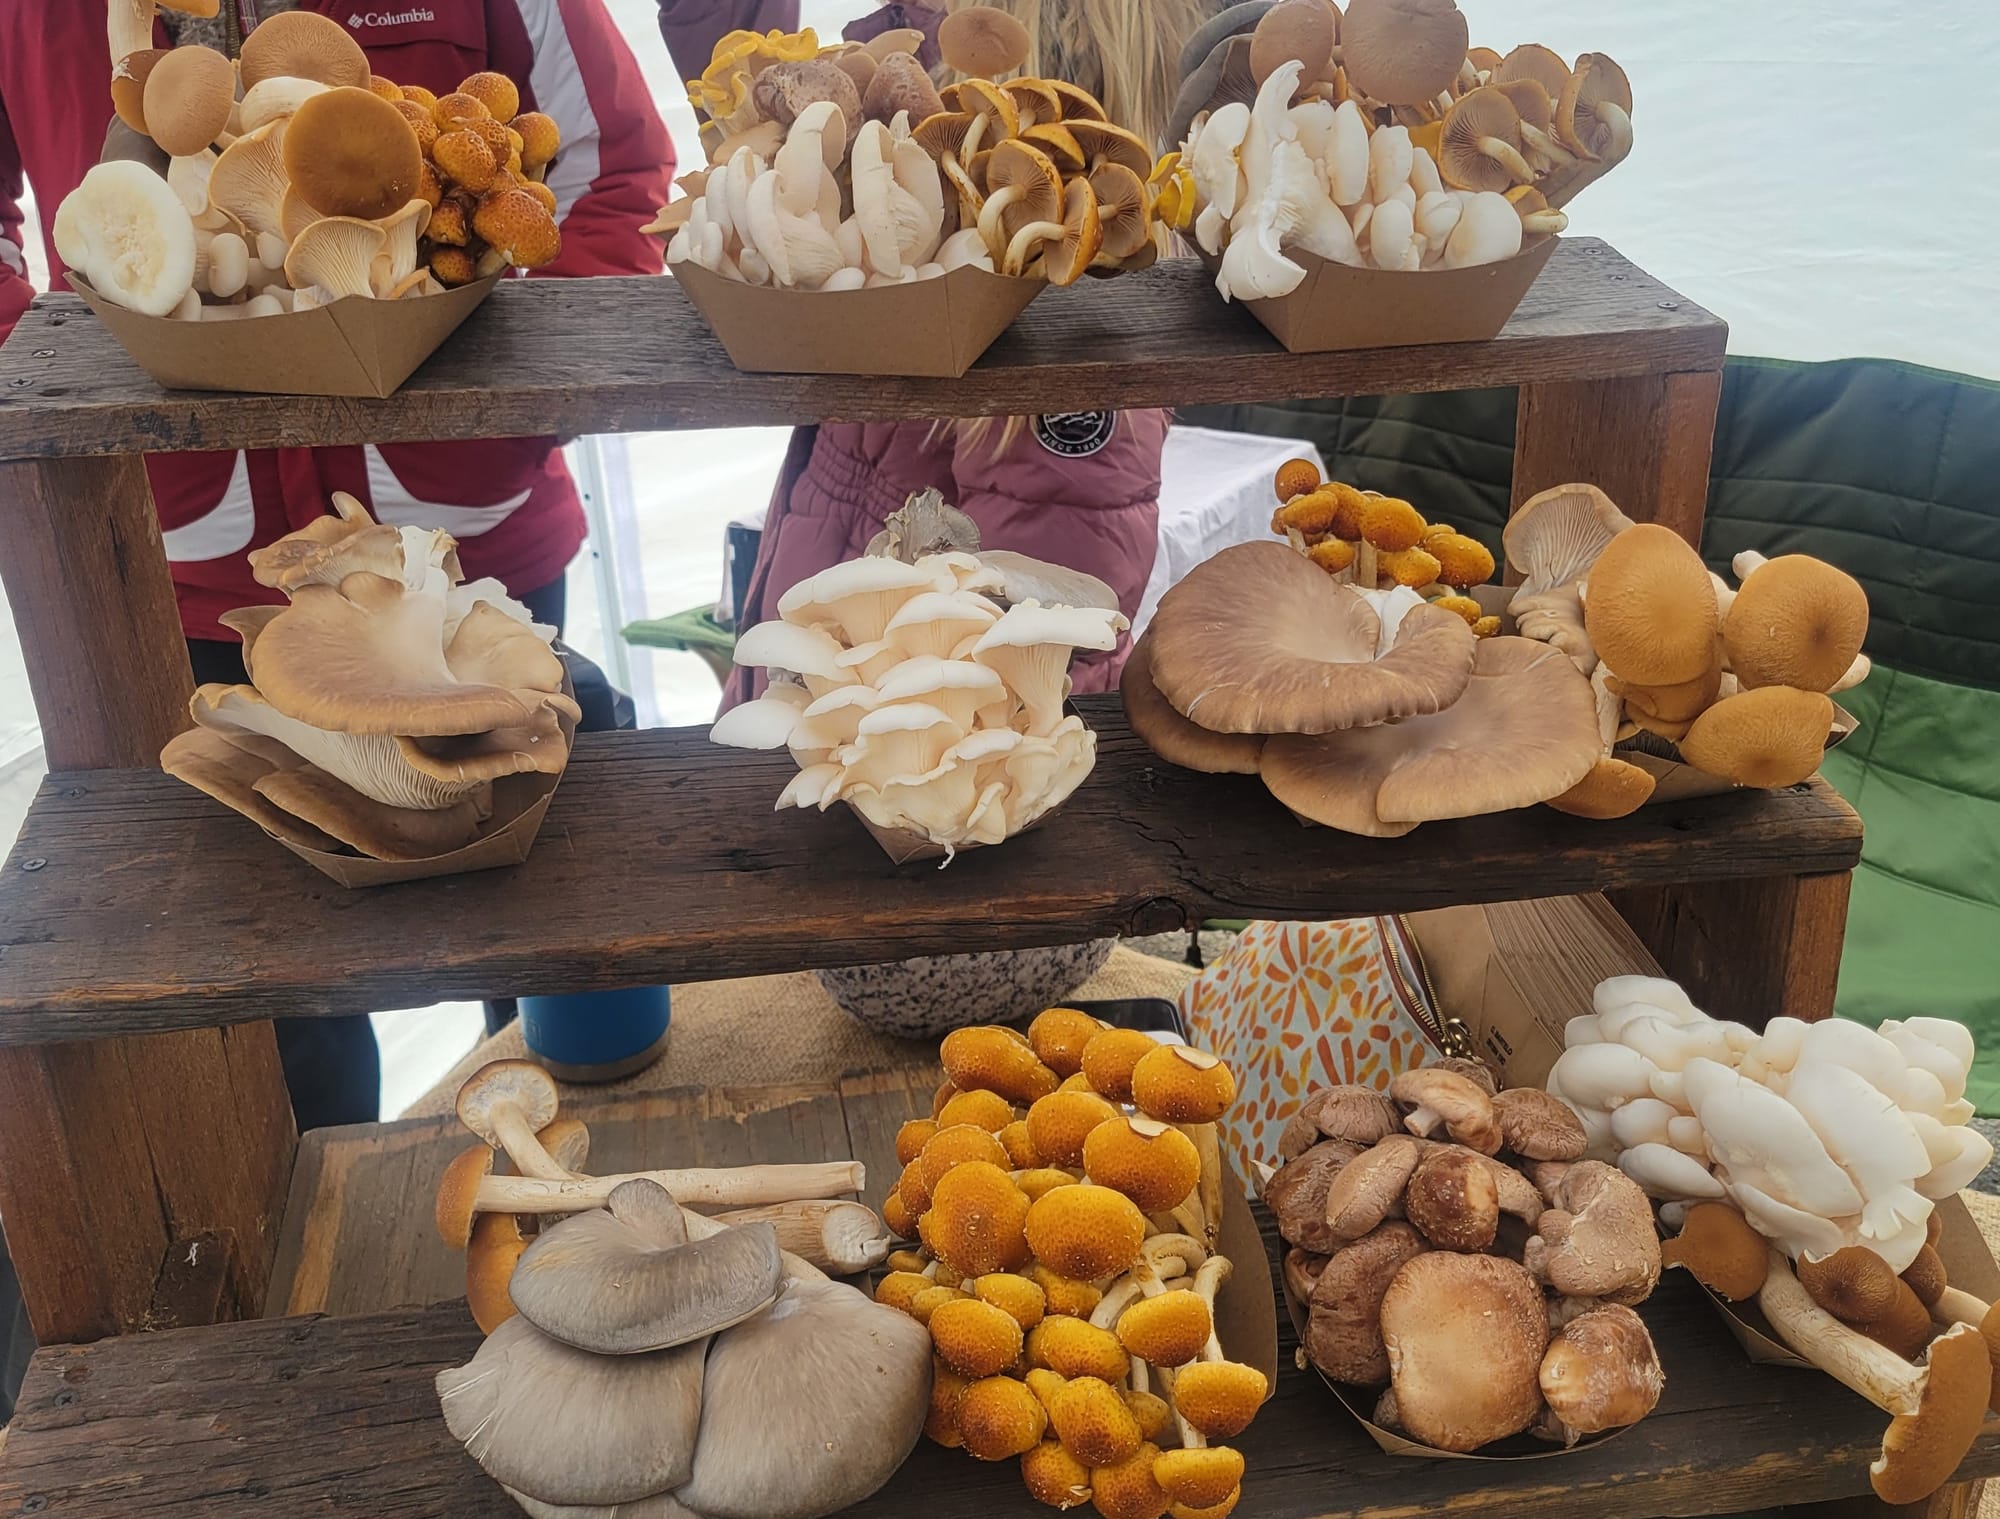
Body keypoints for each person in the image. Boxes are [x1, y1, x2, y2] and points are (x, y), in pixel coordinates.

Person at [0, 1, 673, 1130]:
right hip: (193, 560)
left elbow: (618, 171)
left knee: (533, 907)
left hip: (461, 557)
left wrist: (487, 398)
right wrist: (64, 373)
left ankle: (572, 1191)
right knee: (272, 970)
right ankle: (333, 1236)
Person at [716, 0, 1218, 710]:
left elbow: (1023, 664)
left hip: (901, 735)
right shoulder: (940, 252)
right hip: (836, 665)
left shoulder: (1068, 318)